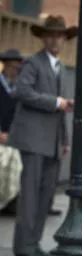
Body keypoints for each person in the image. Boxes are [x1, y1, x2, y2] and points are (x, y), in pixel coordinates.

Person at [8, 15, 76, 256]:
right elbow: (21, 91)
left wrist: (65, 140)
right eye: (50, 35)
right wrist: (56, 102)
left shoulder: (60, 68)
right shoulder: (33, 63)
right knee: (29, 197)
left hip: (53, 142)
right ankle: (23, 246)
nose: (55, 40)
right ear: (43, 37)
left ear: (64, 39)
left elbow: (62, 110)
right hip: (33, 140)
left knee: (45, 196)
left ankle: (33, 244)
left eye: (59, 35)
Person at [0, 49, 23, 215]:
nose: (13, 70)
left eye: (17, 67)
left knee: (16, 169)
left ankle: (11, 204)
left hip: (13, 136)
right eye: (11, 67)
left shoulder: (19, 88)